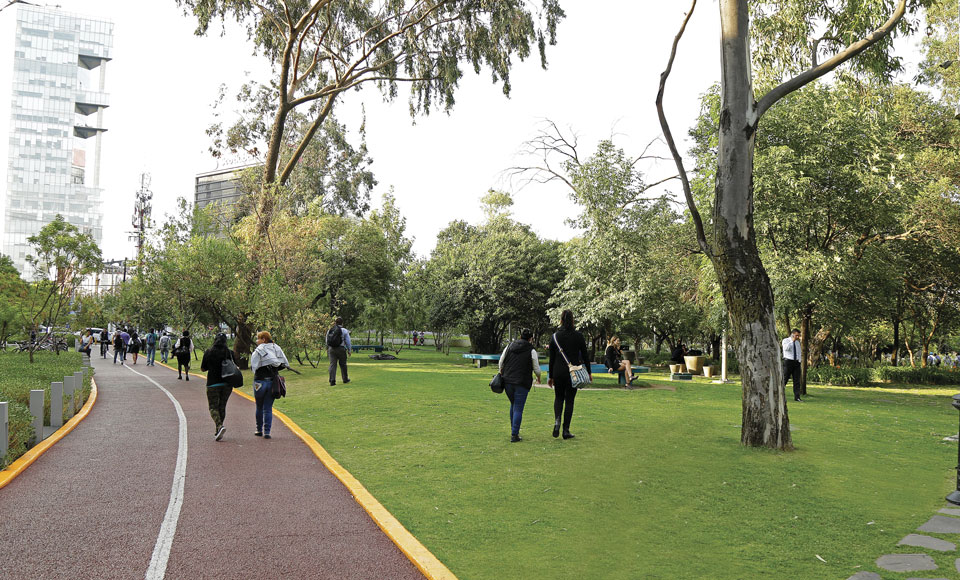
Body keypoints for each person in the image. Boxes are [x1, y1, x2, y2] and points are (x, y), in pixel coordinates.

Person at [548, 310, 591, 440]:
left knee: (558, 397)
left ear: (561, 320)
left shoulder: (555, 336)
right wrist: (589, 372)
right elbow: (585, 355)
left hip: (558, 371)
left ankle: (557, 421)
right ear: (572, 320)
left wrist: (551, 376)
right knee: (570, 400)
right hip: (574, 372)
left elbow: (552, 358)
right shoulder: (579, 336)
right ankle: (566, 430)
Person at [499, 328, 542, 442]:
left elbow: (501, 361)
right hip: (522, 382)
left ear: (520, 336)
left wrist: (501, 372)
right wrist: (538, 377)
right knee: (518, 407)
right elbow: (536, 368)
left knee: (513, 404)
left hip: (508, 380)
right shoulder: (531, 350)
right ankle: (514, 434)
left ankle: (513, 429)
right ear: (531, 338)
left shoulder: (509, 346)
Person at [251, 330, 289, 439]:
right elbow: (284, 363)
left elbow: (254, 366)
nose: (257, 341)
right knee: (268, 408)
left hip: (259, 382)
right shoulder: (276, 348)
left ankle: (259, 430)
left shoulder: (259, 350)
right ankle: (267, 432)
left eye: (258, 338)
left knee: (259, 407)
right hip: (272, 382)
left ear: (264, 339)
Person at [200, 333, 236, 441]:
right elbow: (235, 365)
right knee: (222, 406)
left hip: (213, 383)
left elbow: (203, 368)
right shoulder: (229, 353)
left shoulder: (209, 352)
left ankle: (219, 426)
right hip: (227, 384)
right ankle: (218, 430)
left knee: (213, 407)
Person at [326, 316, 352, 386]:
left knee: (332, 365)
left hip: (331, 349)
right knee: (343, 364)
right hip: (341, 349)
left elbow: (327, 340)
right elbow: (348, 341)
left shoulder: (330, 330)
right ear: (342, 323)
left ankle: (332, 380)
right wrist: (349, 350)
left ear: (335, 323)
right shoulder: (344, 331)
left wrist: (328, 348)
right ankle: (345, 379)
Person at [782, 328, 803, 402]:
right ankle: (780, 395)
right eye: (796, 335)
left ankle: (797, 397)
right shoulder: (786, 341)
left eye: (798, 336)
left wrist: (799, 360)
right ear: (792, 334)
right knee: (785, 379)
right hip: (788, 362)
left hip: (796, 362)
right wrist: (792, 341)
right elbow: (786, 349)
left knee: (797, 381)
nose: (797, 337)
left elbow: (799, 352)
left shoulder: (797, 343)